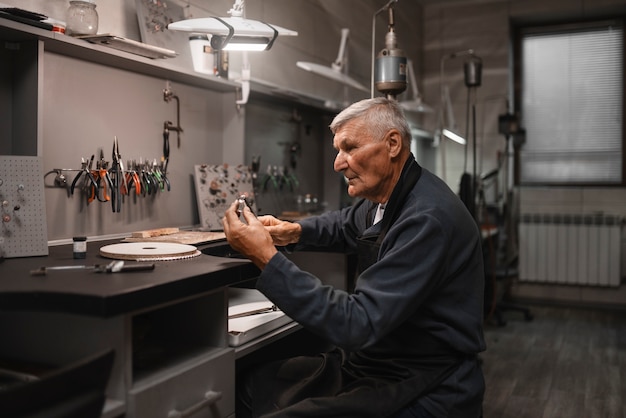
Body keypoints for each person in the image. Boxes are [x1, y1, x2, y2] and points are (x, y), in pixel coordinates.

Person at [222, 97, 486, 418]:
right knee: (251, 384)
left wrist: (266, 257)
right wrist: (291, 231)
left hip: (425, 378)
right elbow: (344, 224)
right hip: (378, 361)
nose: (338, 163)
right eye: (338, 150)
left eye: (349, 148)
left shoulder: (426, 219)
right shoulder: (385, 198)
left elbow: (357, 323)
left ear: (392, 144)